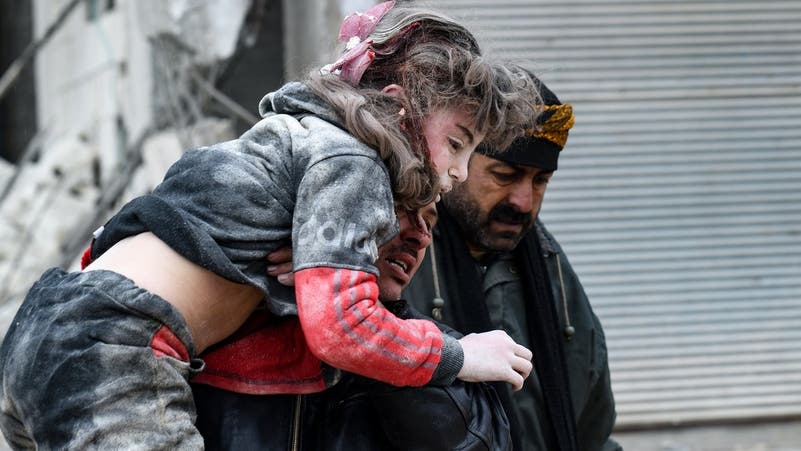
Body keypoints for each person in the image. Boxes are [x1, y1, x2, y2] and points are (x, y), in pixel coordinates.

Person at [0, 2, 537, 448]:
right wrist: (460, 356)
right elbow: (344, 330)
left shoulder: (285, 142)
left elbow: (152, 219)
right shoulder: (353, 160)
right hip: (116, 349)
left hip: (47, 326)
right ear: (399, 109)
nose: (459, 172)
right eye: (457, 144)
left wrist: (301, 267)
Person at [405, 74, 622, 451]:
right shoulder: (400, 257)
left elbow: (593, 428)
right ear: (456, 161)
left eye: (541, 181)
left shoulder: (547, 264)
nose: (524, 201)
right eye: (505, 175)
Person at [193, 201, 512, 450]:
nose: (421, 236)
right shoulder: (219, 315)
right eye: (400, 207)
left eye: (429, 222)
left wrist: (369, 323)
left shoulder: (451, 348)